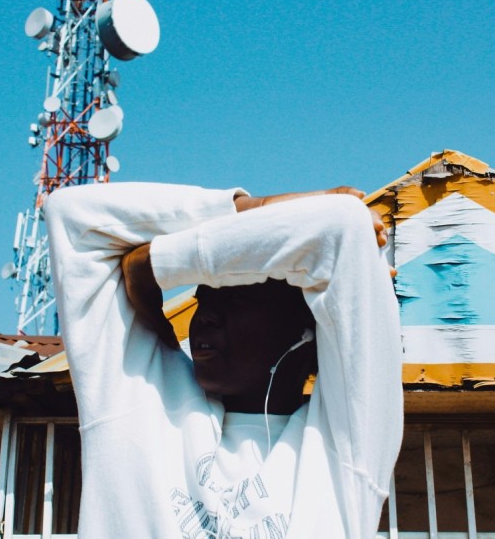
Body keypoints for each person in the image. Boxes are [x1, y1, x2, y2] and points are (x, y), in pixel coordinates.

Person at [45, 182, 403, 538]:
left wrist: (151, 265)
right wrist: (252, 206)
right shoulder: (142, 397)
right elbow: (71, 213)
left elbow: (342, 225)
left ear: (304, 329)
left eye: (236, 301)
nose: (205, 317)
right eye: (203, 300)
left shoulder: (347, 443)